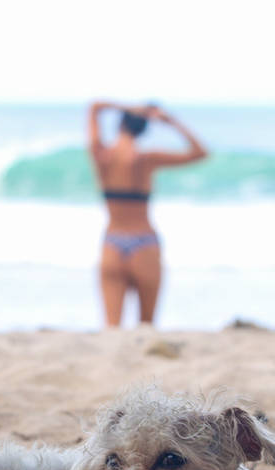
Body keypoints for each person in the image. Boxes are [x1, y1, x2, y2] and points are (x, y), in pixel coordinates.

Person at [87, 101, 208, 327]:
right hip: (145, 244)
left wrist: (130, 108)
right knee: (147, 327)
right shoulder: (147, 159)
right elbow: (200, 153)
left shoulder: (102, 157)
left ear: (121, 124)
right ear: (143, 130)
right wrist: (170, 121)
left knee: (111, 330)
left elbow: (95, 107)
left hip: (112, 243)